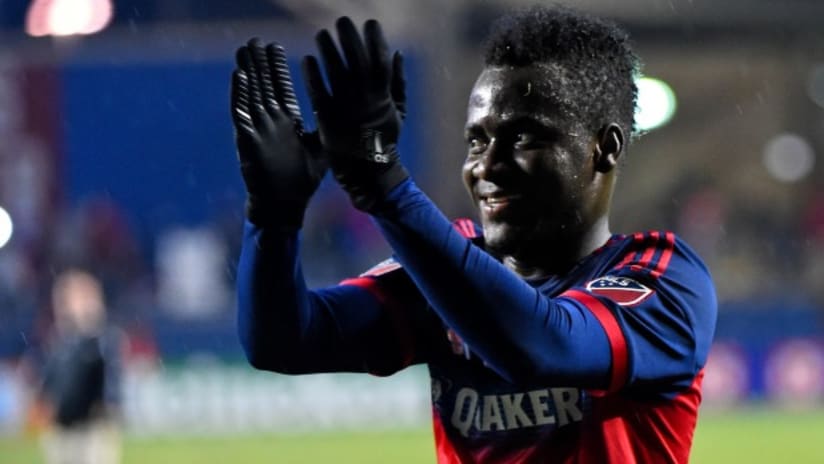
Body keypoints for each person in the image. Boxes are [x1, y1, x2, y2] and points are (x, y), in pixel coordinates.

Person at [230, 5, 717, 463]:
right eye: (477, 140)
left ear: (603, 148)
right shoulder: (448, 267)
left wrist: (384, 186)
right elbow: (285, 341)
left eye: (524, 137)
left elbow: (542, 348)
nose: (488, 165)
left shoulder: (664, 279)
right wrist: (274, 215)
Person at [37, 268, 123, 464]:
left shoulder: (99, 339)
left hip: (91, 427)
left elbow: (109, 379)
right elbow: (50, 381)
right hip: (62, 426)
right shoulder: (59, 341)